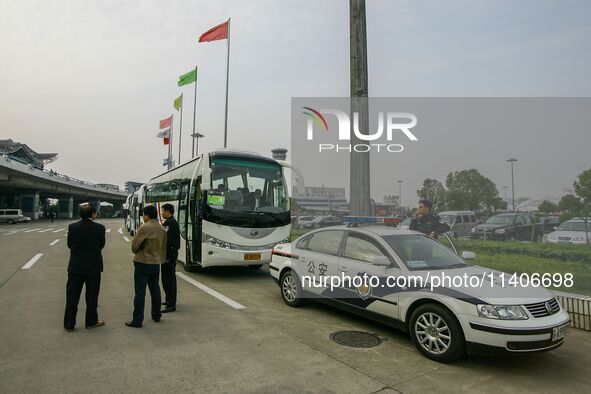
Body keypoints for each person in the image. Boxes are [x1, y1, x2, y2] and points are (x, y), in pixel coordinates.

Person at [64, 203, 106, 332]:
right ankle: (91, 321)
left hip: (75, 266)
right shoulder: (100, 228)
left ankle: (69, 324)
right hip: (93, 267)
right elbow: (101, 245)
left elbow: (69, 244)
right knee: (92, 296)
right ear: (93, 214)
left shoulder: (73, 227)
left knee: (72, 296)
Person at [126, 205, 167, 328]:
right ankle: (156, 315)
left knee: (140, 292)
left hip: (142, 262)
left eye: (144, 215)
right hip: (155, 263)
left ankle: (137, 320)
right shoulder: (162, 228)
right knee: (155, 289)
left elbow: (134, 246)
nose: (143, 217)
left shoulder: (144, 227)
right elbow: (163, 246)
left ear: (147, 215)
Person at [160, 203, 180, 313]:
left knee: (169, 279)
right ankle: (168, 300)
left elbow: (168, 240)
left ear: (168, 212)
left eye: (163, 211)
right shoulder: (169, 222)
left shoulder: (171, 223)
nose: (162, 213)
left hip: (169, 255)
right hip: (168, 254)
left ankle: (171, 303)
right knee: (166, 278)